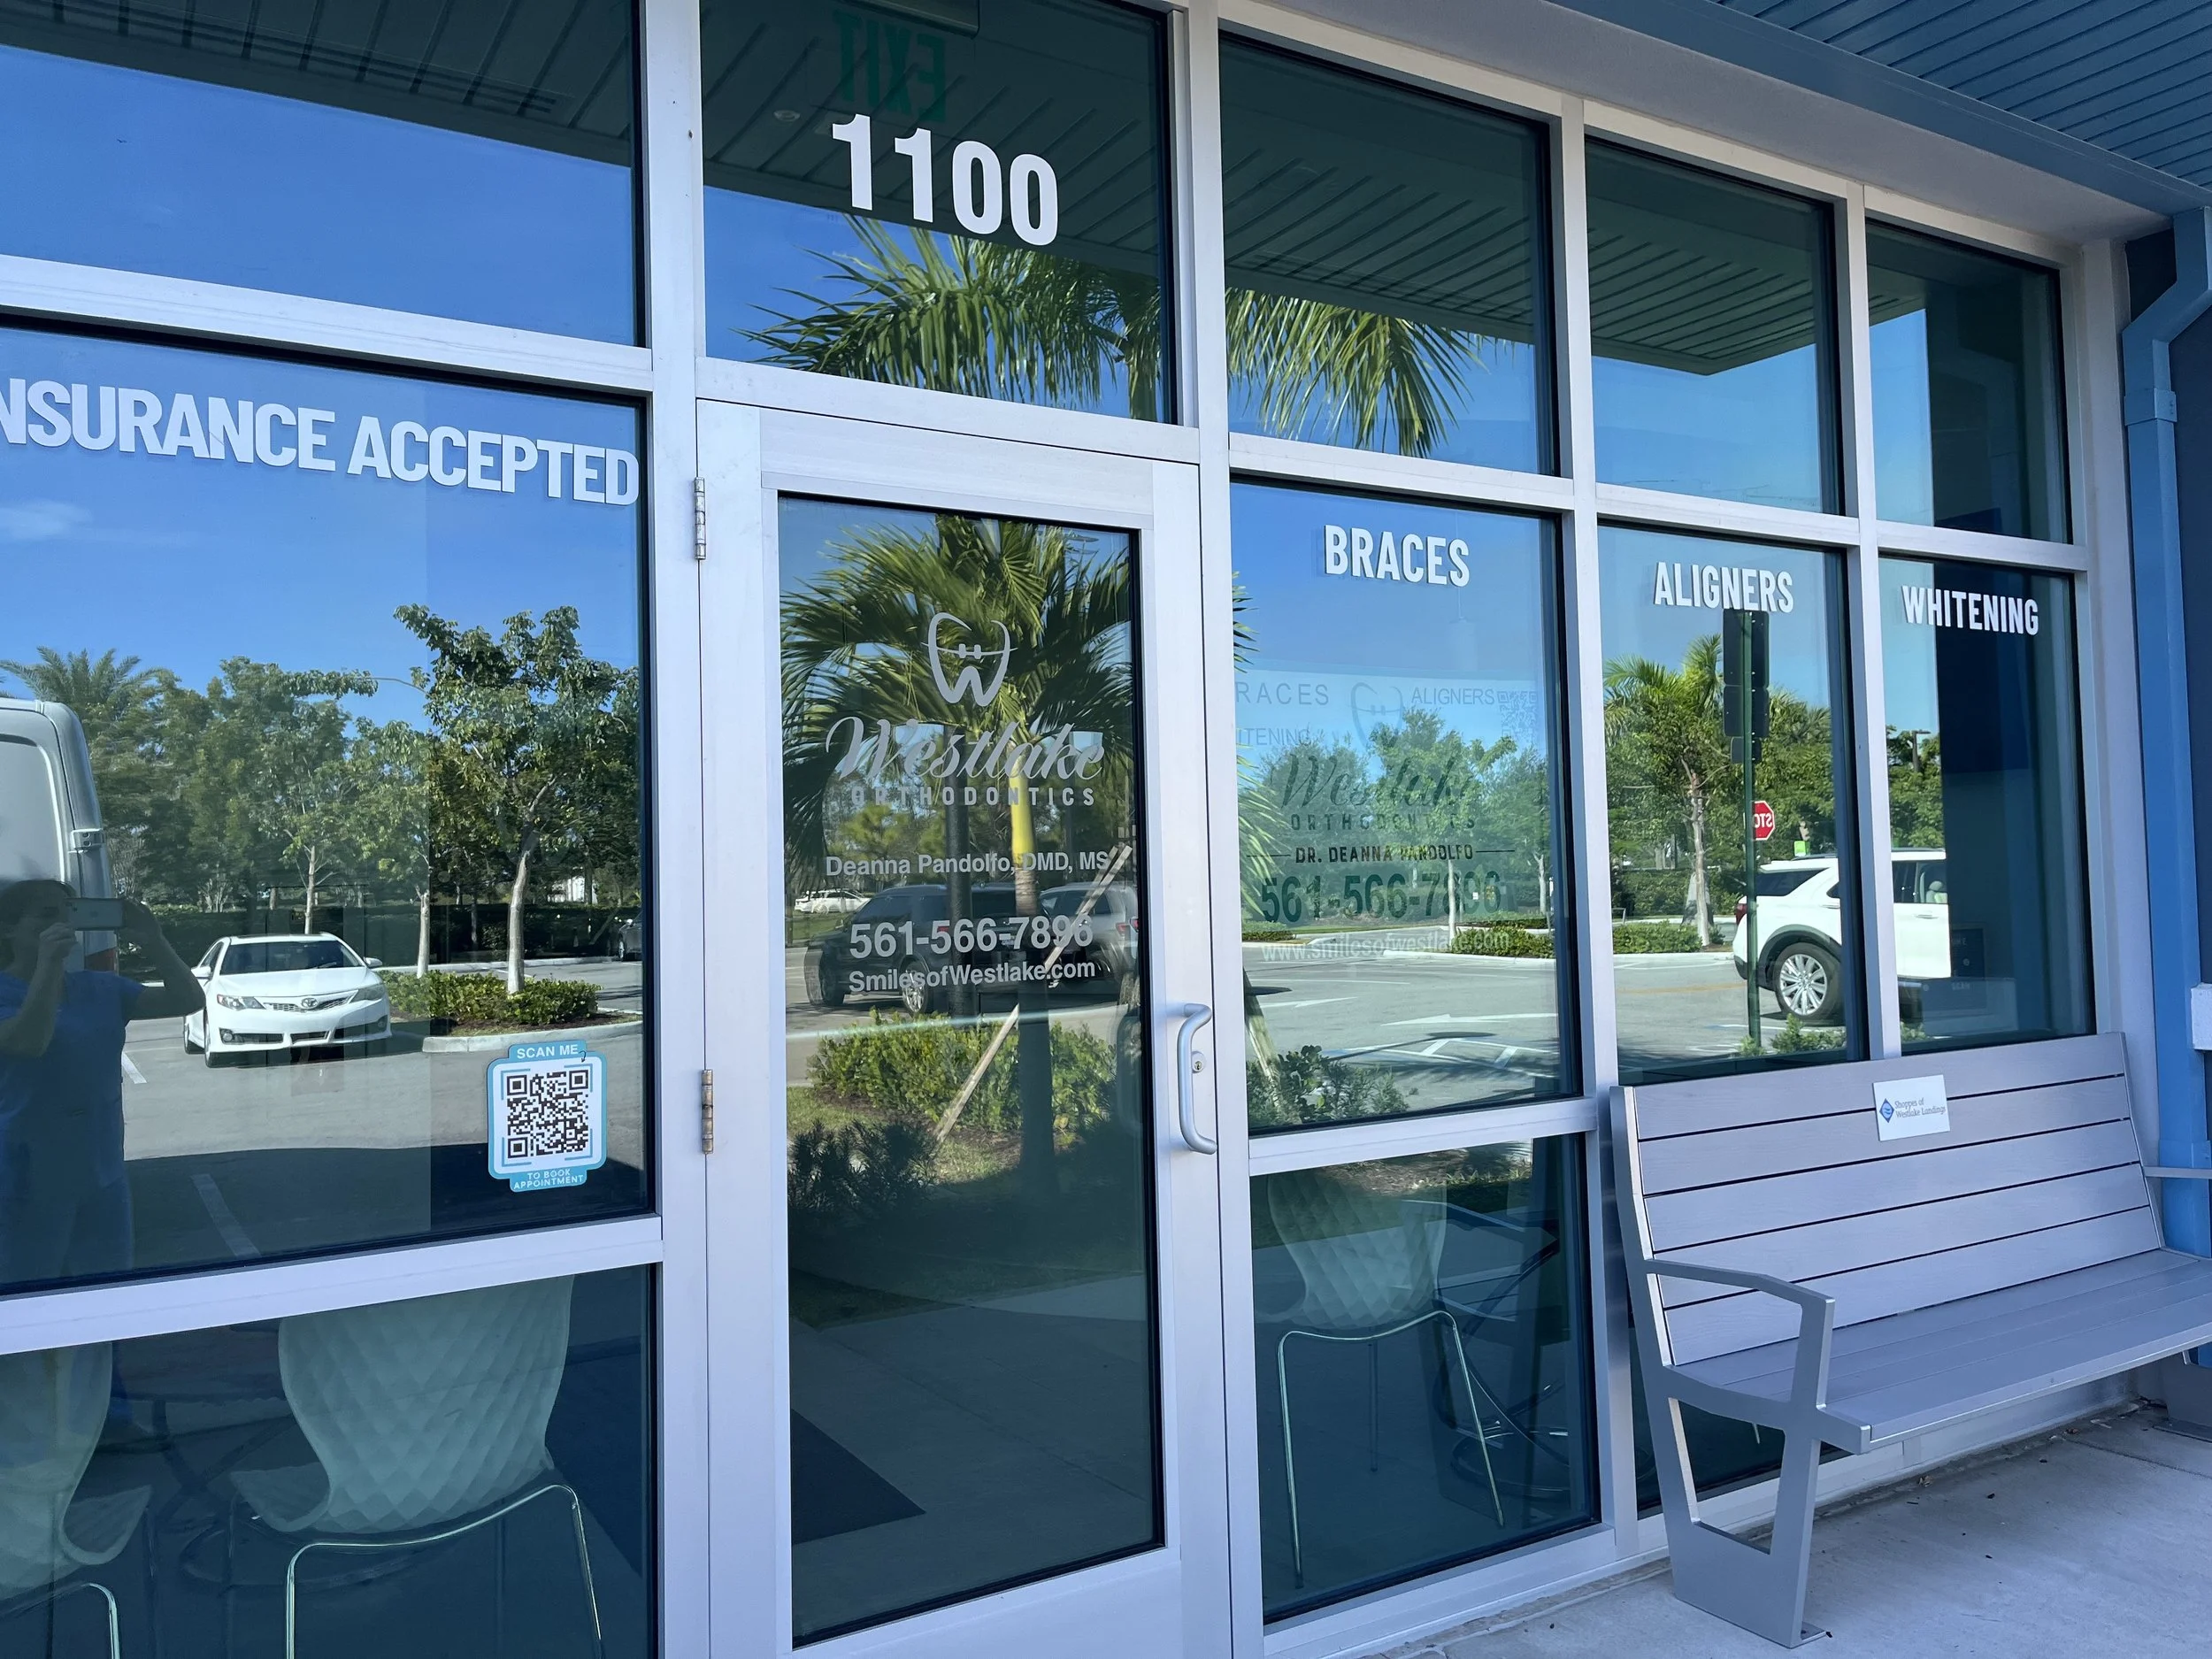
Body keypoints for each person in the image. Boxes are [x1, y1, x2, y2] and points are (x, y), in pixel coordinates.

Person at [0, 881, 204, 1286]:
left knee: (108, 1290)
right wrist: (47, 967)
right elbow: (29, 1041)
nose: (61, 923)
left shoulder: (100, 988)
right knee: (29, 1293)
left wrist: (154, 940)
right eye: (46, 915)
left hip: (101, 1173)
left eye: (67, 912)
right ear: (8, 929)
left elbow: (187, 1000)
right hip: (23, 1180)